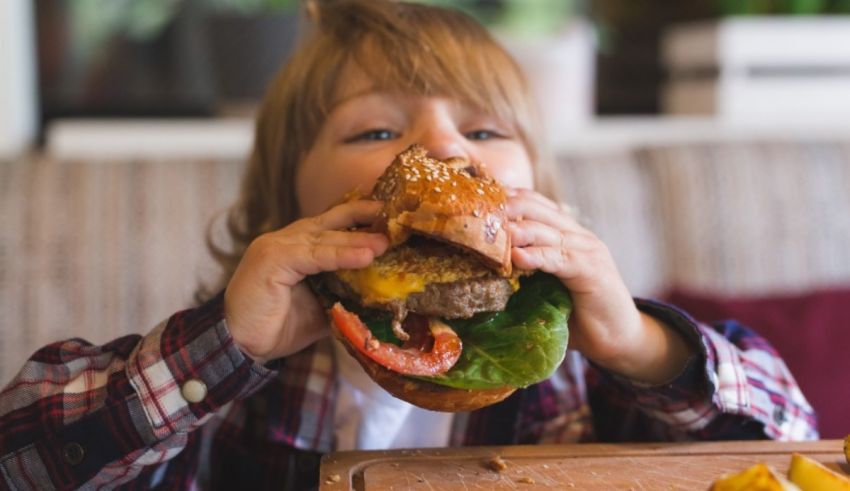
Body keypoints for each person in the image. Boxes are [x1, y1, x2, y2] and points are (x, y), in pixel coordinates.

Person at [0, 1, 817, 489]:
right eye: (378, 128)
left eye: (484, 128)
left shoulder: (586, 380)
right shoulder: (232, 381)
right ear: (290, 205)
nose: (444, 151)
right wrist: (226, 342)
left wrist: (638, 343)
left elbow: (790, 449)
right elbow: (22, 455)